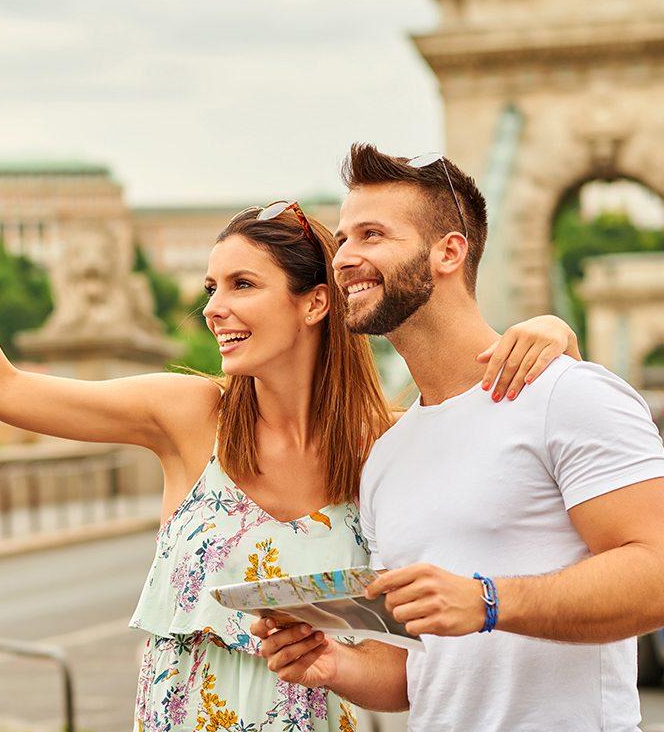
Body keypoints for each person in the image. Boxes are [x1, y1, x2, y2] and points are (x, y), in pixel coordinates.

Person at [0, 156, 577, 732]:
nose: (213, 308)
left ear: (315, 302)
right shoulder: (188, 414)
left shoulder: (384, 447)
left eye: (241, 284)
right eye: (210, 286)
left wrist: (550, 334)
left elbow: (426, 641)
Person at [254, 144, 664, 731]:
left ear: (449, 252)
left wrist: (489, 602)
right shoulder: (386, 456)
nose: (343, 258)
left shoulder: (568, 396)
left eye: (371, 235)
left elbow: (656, 576)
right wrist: (332, 663)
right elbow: (419, 671)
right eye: (342, 240)